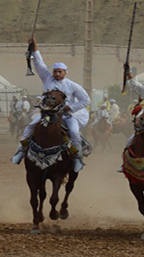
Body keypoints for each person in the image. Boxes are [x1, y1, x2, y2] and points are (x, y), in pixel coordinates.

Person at [12, 38, 91, 170]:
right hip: (47, 114)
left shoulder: (73, 86)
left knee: (74, 131)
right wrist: (35, 46)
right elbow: (39, 63)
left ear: (65, 72)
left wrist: (69, 108)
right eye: (55, 71)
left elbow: (86, 100)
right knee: (31, 125)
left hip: (67, 115)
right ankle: (20, 151)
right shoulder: (47, 78)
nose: (57, 73)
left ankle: (78, 159)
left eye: (60, 71)